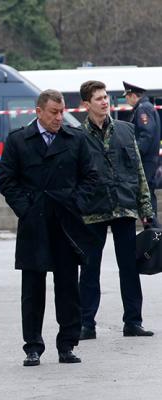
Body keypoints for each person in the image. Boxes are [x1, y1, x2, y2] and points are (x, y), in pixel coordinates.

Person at [0, 89, 99, 366]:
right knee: (32, 289)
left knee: (68, 287)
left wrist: (76, 203)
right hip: (34, 223)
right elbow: (7, 181)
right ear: (39, 111)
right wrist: (26, 209)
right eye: (53, 112)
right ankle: (32, 346)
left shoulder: (76, 139)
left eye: (62, 111)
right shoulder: (18, 140)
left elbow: (90, 177)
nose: (59, 117)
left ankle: (67, 344)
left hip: (66, 222)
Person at [78, 80, 155, 340]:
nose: (104, 102)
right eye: (98, 98)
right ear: (86, 104)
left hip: (124, 206)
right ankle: (86, 323)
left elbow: (139, 171)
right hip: (93, 209)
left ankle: (133, 321)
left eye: (105, 97)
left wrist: (145, 207)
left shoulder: (125, 130)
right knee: (89, 268)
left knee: (129, 267)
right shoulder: (77, 136)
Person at [123, 81, 161, 218]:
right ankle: (154, 232)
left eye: (126, 97)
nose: (126, 100)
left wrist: (134, 154)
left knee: (145, 195)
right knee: (148, 194)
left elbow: (146, 134)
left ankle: (153, 230)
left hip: (146, 160)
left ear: (132, 95)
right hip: (150, 159)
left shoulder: (143, 109)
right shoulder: (146, 107)